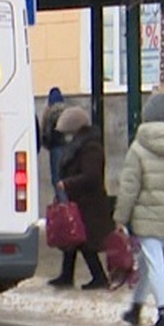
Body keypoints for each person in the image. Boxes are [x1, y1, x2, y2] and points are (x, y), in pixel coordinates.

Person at [113, 92, 164, 326]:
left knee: (154, 263)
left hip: (146, 215)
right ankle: (136, 307)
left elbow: (129, 186)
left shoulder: (138, 148)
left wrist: (120, 217)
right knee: (148, 264)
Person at [47, 106, 113, 290]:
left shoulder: (90, 147)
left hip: (89, 203)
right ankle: (67, 275)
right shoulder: (81, 144)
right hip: (81, 201)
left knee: (84, 242)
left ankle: (98, 278)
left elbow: (91, 176)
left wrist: (67, 184)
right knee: (73, 239)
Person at [39, 87, 68, 196]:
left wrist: (47, 145)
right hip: (70, 148)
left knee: (57, 179)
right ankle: (70, 205)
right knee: (67, 178)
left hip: (56, 148)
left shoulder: (49, 112)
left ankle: (62, 205)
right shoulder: (68, 110)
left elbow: (46, 132)